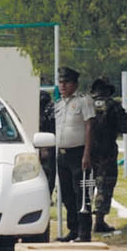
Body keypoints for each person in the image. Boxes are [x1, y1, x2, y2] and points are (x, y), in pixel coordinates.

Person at [52, 67, 96, 241]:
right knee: (67, 194)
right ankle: (73, 229)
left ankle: (84, 232)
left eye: (66, 82)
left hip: (79, 153)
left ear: (75, 84)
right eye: (60, 82)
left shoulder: (84, 101)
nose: (62, 85)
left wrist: (87, 154)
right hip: (62, 154)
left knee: (82, 193)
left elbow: (89, 126)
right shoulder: (59, 103)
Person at [88, 77, 127, 232]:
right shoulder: (113, 106)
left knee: (86, 185)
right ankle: (99, 221)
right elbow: (126, 127)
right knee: (104, 186)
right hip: (107, 153)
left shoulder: (86, 103)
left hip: (86, 152)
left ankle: (84, 219)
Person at [38, 89, 56, 194]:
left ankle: (47, 194)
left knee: (48, 171)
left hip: (48, 144)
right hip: (46, 144)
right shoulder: (47, 111)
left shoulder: (48, 112)